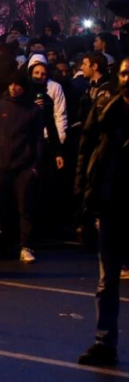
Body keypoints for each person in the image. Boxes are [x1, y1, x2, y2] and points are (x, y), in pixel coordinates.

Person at [75, 57, 129, 366]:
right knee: (106, 281)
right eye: (123, 73)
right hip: (111, 204)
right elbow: (89, 152)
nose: (126, 78)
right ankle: (104, 342)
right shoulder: (108, 110)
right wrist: (84, 197)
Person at [0, 71, 44, 263]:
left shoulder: (32, 109)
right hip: (0, 165)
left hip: (23, 166)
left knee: (25, 208)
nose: (13, 88)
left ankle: (26, 246)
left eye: (17, 85)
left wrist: (35, 166)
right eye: (11, 84)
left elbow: (38, 140)